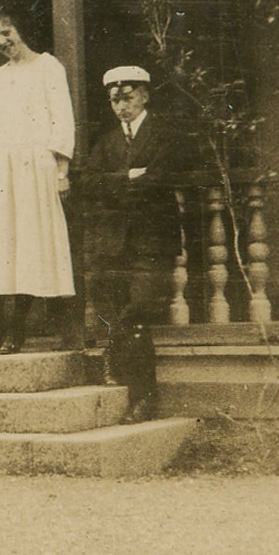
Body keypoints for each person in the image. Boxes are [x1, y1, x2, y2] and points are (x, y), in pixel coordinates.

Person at [0, 9, 76, 354]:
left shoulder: (48, 67)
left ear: (19, 28)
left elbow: (62, 122)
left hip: (38, 167)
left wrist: (61, 173)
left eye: (6, 32)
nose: (2, 42)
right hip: (4, 168)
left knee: (30, 246)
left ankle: (17, 329)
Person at [86, 65, 181, 424]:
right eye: (114, 100)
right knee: (113, 312)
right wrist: (128, 177)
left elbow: (160, 179)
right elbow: (89, 183)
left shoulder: (163, 134)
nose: (121, 107)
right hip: (114, 243)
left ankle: (144, 398)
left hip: (152, 240)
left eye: (127, 98)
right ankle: (128, 381)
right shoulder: (107, 141)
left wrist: (114, 184)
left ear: (144, 95)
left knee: (137, 313)